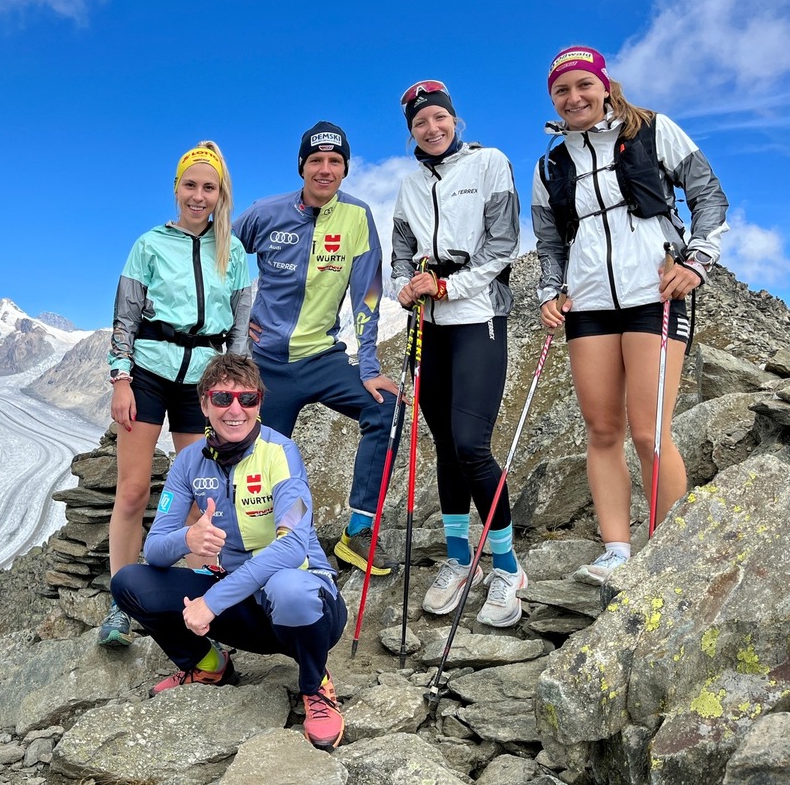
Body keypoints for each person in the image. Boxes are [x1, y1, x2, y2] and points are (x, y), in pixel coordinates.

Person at [532, 45, 729, 585]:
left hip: (656, 295)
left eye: (583, 86)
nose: (574, 98)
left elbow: (710, 197)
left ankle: (669, 551)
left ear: (605, 85)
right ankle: (617, 549)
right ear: (554, 98)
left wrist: (697, 261)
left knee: (648, 432)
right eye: (562, 91)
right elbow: (549, 242)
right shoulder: (551, 163)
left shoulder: (653, 129)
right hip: (589, 305)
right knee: (601, 430)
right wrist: (550, 291)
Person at [110, 353, 348, 751]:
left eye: (247, 399)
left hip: (307, 604)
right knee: (130, 582)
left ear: (259, 404)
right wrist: (186, 540)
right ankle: (208, 666)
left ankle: (315, 685)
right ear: (204, 404)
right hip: (241, 603)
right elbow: (154, 549)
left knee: (290, 588)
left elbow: (292, 546)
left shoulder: (282, 454)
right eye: (222, 399)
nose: (236, 409)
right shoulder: (189, 462)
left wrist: (212, 602)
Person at [101, 141, 254, 647]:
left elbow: (239, 328)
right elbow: (125, 318)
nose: (199, 195)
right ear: (176, 188)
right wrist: (120, 379)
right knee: (133, 491)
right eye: (191, 185)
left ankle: (195, 602)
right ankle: (121, 603)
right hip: (147, 373)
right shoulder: (148, 245)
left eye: (209, 187)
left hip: (203, 384)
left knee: (200, 501)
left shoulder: (233, 253)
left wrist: (233, 386)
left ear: (220, 193)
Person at [233, 121, 398, 576]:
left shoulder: (357, 217)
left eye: (335, 161)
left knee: (385, 407)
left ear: (345, 168)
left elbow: (367, 295)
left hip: (323, 359)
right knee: (253, 462)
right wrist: (232, 334)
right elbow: (219, 258)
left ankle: (358, 534)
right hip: (266, 365)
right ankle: (258, 552)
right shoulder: (264, 213)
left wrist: (368, 367)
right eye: (316, 161)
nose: (325, 169)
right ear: (301, 167)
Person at [390, 80, 525, 627]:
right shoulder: (408, 184)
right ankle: (457, 558)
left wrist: (448, 288)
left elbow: (503, 245)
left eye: (439, 119)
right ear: (412, 132)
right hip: (429, 325)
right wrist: (405, 284)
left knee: (471, 444)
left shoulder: (490, 163)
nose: (432, 128)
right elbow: (401, 251)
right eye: (421, 123)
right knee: (445, 443)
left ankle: (508, 566)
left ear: (454, 120)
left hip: (477, 318)